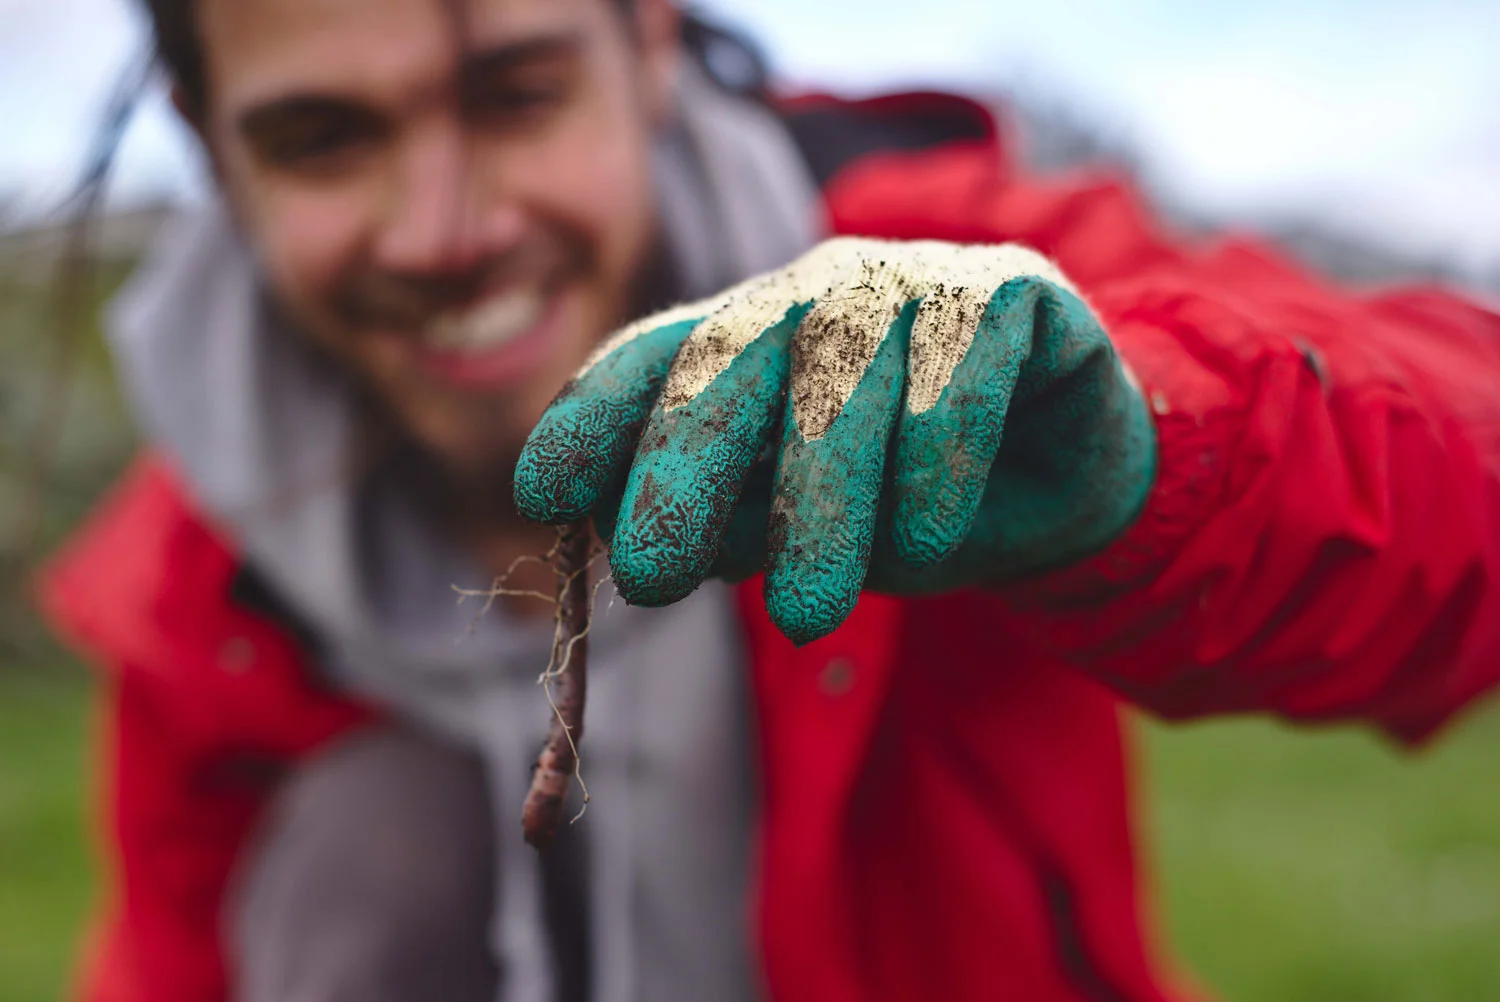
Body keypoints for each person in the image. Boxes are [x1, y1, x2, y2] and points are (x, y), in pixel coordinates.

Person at [37, 0, 1500, 1000]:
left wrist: (1158, 439)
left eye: (518, 94)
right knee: (374, 831)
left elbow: (1467, 476)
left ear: (650, 42)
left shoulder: (935, 281)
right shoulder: (211, 558)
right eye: (324, 139)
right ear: (205, 133)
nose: (448, 231)